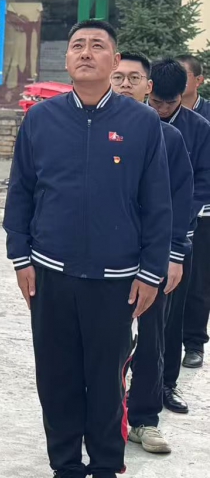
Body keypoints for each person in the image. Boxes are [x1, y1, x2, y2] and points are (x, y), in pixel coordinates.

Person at [5, 20, 172, 478]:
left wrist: (151, 272)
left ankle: (104, 465)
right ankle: (65, 465)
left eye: (97, 46)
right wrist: (20, 257)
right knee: (56, 378)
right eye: (77, 45)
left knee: (106, 380)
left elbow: (158, 204)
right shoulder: (42, 118)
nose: (85, 52)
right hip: (50, 273)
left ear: (114, 61)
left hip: (116, 280)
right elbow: (21, 192)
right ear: (66, 59)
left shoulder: (141, 122)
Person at [112, 55, 198, 454]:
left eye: (134, 78)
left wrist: (175, 254)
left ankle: (144, 419)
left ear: (148, 87)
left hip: (152, 258)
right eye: (119, 77)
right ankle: (101, 415)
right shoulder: (89, 132)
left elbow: (181, 202)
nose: (125, 84)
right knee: (101, 342)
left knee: (151, 338)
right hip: (103, 258)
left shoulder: (169, 138)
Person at [146, 57, 210, 418]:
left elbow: (202, 183)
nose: (162, 110)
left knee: (170, 313)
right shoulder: (135, 121)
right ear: (149, 91)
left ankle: (166, 383)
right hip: (136, 232)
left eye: (169, 104)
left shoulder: (198, 129)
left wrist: (178, 220)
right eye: (156, 102)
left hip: (179, 232)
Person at [177, 53, 210, 370]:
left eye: (183, 74)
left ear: (198, 81)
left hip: (203, 215)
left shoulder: (206, 118)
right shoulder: (158, 113)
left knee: (197, 282)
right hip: (166, 212)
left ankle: (195, 342)